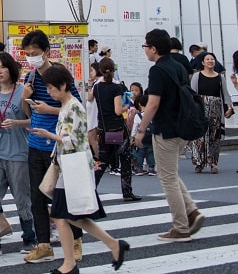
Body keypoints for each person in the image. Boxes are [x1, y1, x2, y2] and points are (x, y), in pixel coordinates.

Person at [30, 64, 131, 274]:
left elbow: (72, 140)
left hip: (73, 165)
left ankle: (73, 262)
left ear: (63, 85)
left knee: (66, 215)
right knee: (67, 216)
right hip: (68, 165)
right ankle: (105, 248)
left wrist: (48, 135)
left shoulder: (73, 107)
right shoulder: (68, 106)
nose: (49, 92)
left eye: (51, 88)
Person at [133, 28, 203, 241]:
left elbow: (153, 104)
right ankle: (191, 211)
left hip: (166, 128)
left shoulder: (157, 70)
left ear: (153, 48)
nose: (145, 50)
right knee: (170, 173)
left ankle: (181, 227)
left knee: (167, 178)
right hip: (182, 126)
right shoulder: (179, 65)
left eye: (146, 46)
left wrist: (141, 129)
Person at [21, 30, 83, 264]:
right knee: (36, 196)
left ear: (47, 52)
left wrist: (50, 110)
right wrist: (25, 97)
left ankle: (76, 241)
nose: (31, 57)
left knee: (63, 196)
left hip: (58, 144)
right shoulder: (30, 77)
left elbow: (75, 107)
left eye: (34, 53)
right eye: (27, 54)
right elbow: (27, 111)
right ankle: (43, 244)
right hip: (35, 143)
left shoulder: (59, 75)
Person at [0, 52, 36, 258]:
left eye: (3, 67)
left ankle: (30, 237)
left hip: (18, 152)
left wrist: (16, 123)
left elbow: (34, 120)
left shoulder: (23, 91)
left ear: (11, 69)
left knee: (22, 197)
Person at [90, 58, 140, 200]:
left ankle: (91, 188)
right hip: (117, 128)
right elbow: (118, 110)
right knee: (125, 159)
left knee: (102, 160)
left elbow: (89, 98)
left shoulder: (97, 87)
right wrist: (128, 104)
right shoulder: (116, 88)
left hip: (103, 127)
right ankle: (127, 192)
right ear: (113, 70)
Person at [187, 52, 232, 174]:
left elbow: (225, 93)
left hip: (216, 109)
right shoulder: (197, 76)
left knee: (214, 136)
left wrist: (229, 107)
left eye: (212, 59)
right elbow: (192, 94)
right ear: (202, 62)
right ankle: (199, 163)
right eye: (207, 59)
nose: (210, 61)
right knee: (199, 137)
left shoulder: (220, 77)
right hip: (200, 108)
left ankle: (213, 163)